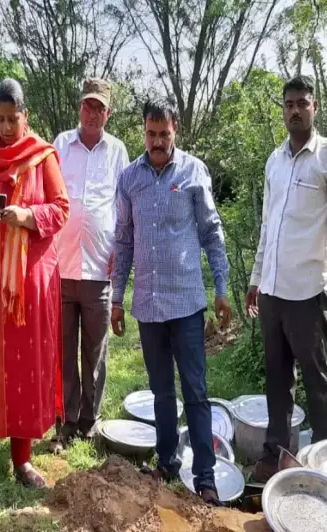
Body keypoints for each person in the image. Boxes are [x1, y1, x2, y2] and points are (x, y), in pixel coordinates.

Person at [111, 99, 231, 506]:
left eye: (164, 134)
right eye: (151, 133)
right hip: (147, 304)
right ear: (143, 132)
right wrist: (115, 298)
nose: (158, 141)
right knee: (162, 391)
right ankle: (165, 461)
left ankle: (206, 476)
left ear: (175, 130)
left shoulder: (194, 171)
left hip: (187, 305)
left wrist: (221, 287)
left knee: (195, 391)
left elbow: (212, 233)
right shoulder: (130, 179)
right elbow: (123, 241)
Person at [0, 78, 69, 490]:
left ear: (25, 116)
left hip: (32, 281)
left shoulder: (43, 158)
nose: (3, 127)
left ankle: (23, 460)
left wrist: (26, 217)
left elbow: (61, 210)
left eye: (10, 119)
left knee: (25, 364)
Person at [246, 75, 327, 483]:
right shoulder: (274, 161)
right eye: (289, 103)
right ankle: (275, 454)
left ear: (315, 107)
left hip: (309, 291)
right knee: (276, 378)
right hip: (273, 292)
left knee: (316, 381)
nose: (295, 110)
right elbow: (267, 226)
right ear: (283, 109)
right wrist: (257, 277)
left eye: (302, 103)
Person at [50, 78, 129, 452]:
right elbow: (47, 196)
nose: (93, 113)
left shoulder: (117, 151)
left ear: (108, 113)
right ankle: (65, 420)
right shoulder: (60, 145)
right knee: (64, 349)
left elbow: (125, 207)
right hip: (61, 266)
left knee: (94, 350)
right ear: (79, 108)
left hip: (100, 267)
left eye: (100, 108)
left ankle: (90, 420)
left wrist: (121, 247)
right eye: (88, 106)